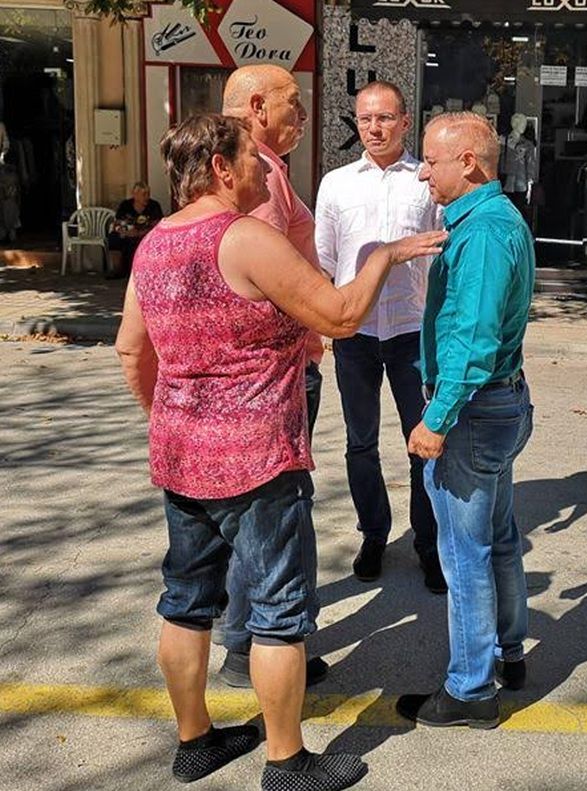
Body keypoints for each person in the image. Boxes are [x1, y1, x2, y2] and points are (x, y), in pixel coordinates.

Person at [115, 113, 446, 790]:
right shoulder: (244, 238)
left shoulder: (154, 243)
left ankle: (195, 741)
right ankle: (287, 761)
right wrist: (382, 256)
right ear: (220, 168)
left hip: (182, 454)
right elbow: (340, 316)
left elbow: (130, 349)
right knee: (277, 613)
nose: (267, 173)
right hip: (257, 457)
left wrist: (172, 421)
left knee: (185, 600)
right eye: (253, 159)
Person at [395, 112, 536, 729]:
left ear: (469, 163)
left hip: (474, 412)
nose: (422, 172)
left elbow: (473, 341)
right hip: (500, 404)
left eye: (431, 161)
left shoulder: (481, 233)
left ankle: (471, 689)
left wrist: (436, 418)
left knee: (464, 554)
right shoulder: (493, 220)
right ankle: (508, 651)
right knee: (498, 537)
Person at [218, 64, 327, 690]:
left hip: (277, 367)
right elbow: (261, 286)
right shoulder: (254, 175)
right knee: (273, 512)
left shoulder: (259, 169)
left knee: (263, 506)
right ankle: (254, 642)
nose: (303, 114)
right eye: (293, 102)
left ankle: (249, 635)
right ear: (258, 107)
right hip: (276, 371)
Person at [314, 80, 446, 592]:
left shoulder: (426, 181)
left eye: (385, 118)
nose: (374, 127)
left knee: (422, 442)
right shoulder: (336, 184)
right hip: (356, 333)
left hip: (412, 329)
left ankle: (428, 543)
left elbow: (445, 253)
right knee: (360, 442)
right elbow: (325, 263)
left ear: (405, 122)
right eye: (365, 118)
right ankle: (373, 533)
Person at [108, 181, 163, 277]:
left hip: (145, 233)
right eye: (144, 194)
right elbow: (117, 223)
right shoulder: (125, 205)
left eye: (148, 194)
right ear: (135, 195)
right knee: (114, 237)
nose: (147, 197)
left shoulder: (154, 205)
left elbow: (157, 225)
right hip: (128, 232)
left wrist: (140, 233)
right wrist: (126, 232)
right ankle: (117, 269)